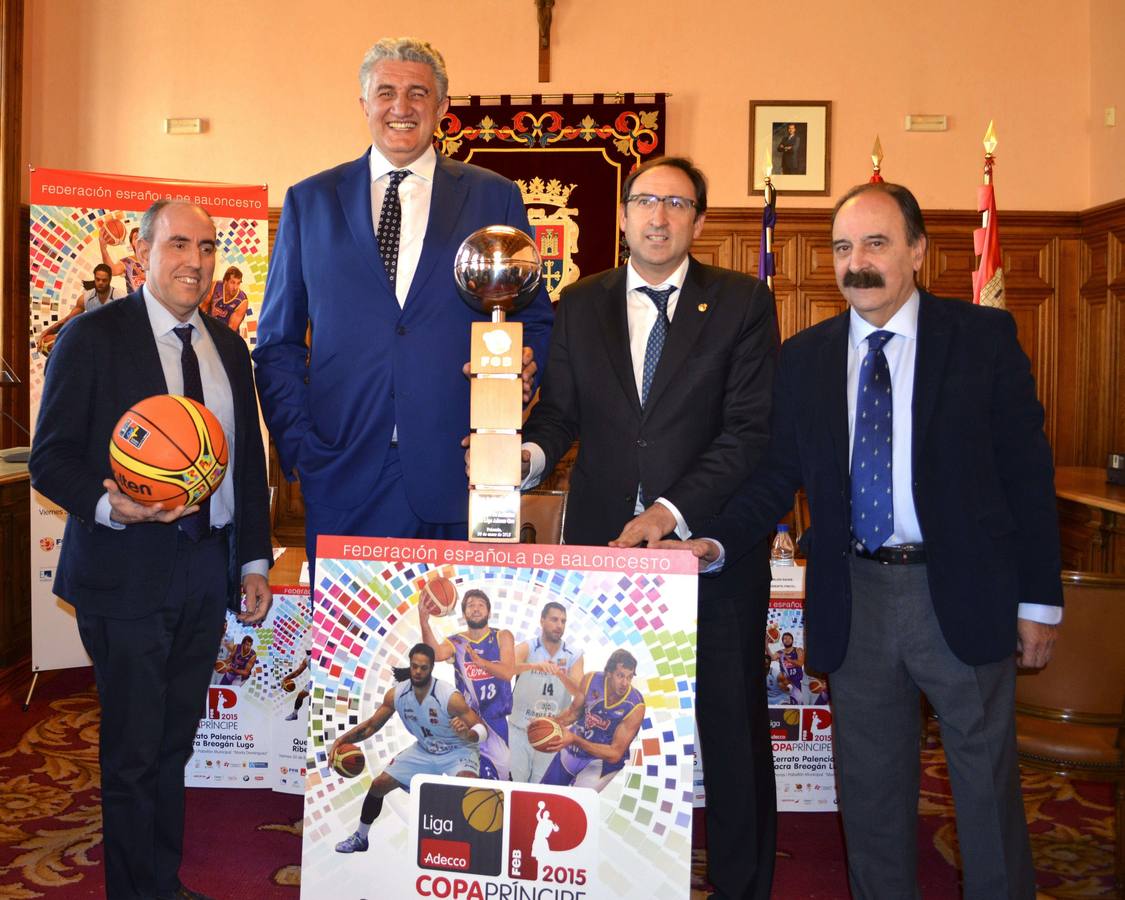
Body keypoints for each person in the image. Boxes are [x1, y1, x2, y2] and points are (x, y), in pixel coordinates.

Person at [656, 182, 1063, 899]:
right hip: (857, 598)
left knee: (982, 786)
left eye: (875, 243)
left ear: (916, 252)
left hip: (960, 592)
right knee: (870, 794)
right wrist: (713, 543)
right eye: (842, 247)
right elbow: (775, 475)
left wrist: (1038, 600)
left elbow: (1027, 474)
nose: (857, 262)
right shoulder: (807, 356)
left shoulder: (980, 339)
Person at [517, 156, 780, 899]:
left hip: (708, 552)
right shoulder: (580, 302)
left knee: (728, 734)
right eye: (644, 201)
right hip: (604, 558)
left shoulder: (741, 302)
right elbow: (560, 415)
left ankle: (740, 887)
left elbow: (747, 430)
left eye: (676, 203)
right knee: (599, 731)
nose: (658, 216)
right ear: (624, 215)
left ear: (698, 220)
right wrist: (525, 456)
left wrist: (669, 513)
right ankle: (604, 879)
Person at [29, 199, 272, 900]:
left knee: (174, 742)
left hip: (206, 569)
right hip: (124, 572)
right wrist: (115, 506)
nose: (194, 261)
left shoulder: (228, 346)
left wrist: (252, 560)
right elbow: (52, 460)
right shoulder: (92, 337)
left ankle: (159, 882)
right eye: (177, 245)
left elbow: (247, 466)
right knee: (133, 751)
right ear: (141, 253)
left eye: (206, 246)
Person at [253, 37, 553, 567]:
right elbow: (277, 343)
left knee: (461, 647)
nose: (401, 106)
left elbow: (532, 318)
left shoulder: (493, 196)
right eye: (386, 91)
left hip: (460, 475)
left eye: (419, 93)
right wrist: (302, 448)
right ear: (364, 103)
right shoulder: (309, 201)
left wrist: (524, 371)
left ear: (441, 109)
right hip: (342, 475)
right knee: (352, 649)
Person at [330, 643, 484, 854]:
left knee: (468, 789)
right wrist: (342, 740)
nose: (418, 671)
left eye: (424, 667)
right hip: (424, 749)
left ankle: (474, 847)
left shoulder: (448, 696)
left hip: (458, 750)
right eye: (414, 666)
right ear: (410, 665)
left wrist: (468, 734)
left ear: (431, 668)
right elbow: (372, 726)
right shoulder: (397, 695)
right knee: (379, 784)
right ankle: (360, 837)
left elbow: (481, 729)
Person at [419, 588, 514, 779]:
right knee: (467, 779)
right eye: (471, 605)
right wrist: (424, 622)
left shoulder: (502, 636)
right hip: (466, 720)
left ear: (489, 611)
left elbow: (508, 672)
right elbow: (435, 654)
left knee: (499, 781)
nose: (476, 609)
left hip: (496, 723)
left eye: (481, 605)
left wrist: (482, 663)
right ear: (464, 614)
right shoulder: (457, 642)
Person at [539, 649, 645, 792]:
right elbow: (574, 712)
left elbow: (615, 753)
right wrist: (550, 722)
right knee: (543, 794)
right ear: (609, 673)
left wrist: (575, 740)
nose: (625, 683)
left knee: (575, 802)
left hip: (601, 762)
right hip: (574, 748)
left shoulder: (635, 706)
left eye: (629, 677)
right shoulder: (590, 680)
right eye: (620, 676)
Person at [509, 601, 585, 782]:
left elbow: (579, 692)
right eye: (554, 619)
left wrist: (560, 674)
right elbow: (506, 669)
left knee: (541, 786)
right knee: (515, 785)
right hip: (520, 728)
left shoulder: (574, 654)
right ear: (542, 620)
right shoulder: (528, 647)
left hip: (552, 730)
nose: (559, 625)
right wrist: (534, 666)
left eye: (563, 621)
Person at [36, 263, 125, 353]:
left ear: (110, 280)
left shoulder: (121, 297)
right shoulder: (85, 299)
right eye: (98, 279)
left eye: (104, 280)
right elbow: (68, 320)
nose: (100, 283)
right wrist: (47, 332)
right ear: (94, 278)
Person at [200, 265, 249, 331]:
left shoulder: (242, 301)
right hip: (210, 326)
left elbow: (231, 330)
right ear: (225, 281)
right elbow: (203, 308)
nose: (235, 287)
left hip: (226, 333)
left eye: (238, 283)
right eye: (232, 282)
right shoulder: (214, 286)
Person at [100, 223, 146, 292]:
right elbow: (112, 271)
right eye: (136, 238)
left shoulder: (155, 261)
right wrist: (103, 249)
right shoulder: (127, 262)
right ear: (131, 244)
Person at [770, 632, 805, 704]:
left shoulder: (798, 650)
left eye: (789, 638)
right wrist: (766, 646)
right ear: (782, 641)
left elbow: (800, 663)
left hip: (798, 682)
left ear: (792, 640)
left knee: (799, 703)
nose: (787, 640)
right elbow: (772, 658)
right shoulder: (780, 652)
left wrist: (790, 660)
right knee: (787, 704)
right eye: (785, 638)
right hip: (786, 683)